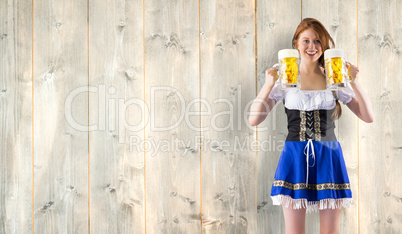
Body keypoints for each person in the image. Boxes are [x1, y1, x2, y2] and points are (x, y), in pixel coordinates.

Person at [249, 18, 374, 234]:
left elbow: (367, 116)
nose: (311, 46)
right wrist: (268, 84)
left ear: (324, 46)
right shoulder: (286, 76)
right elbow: (254, 118)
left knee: (330, 232)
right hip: (295, 157)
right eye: (305, 41)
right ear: (296, 44)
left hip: (329, 156)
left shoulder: (334, 76)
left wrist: (354, 81)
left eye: (317, 41)